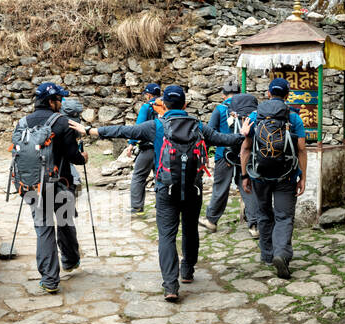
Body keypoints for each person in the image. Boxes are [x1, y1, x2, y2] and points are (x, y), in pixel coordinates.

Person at [89, 84, 244, 302]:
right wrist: (243, 134)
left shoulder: (156, 126)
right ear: (185, 104)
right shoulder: (198, 126)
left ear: (164, 104)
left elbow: (124, 131)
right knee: (190, 229)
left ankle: (171, 286)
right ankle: (187, 271)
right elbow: (225, 139)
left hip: (166, 188)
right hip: (193, 188)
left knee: (167, 236)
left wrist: (91, 131)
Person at [13, 82, 86, 295]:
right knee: (64, 220)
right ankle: (70, 260)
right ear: (51, 101)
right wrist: (84, 157)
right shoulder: (62, 122)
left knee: (43, 227)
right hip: (60, 181)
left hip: (31, 184)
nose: (61, 103)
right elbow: (74, 157)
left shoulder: (22, 122)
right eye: (60, 99)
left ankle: (49, 280)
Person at [240, 77, 309, 280]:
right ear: (287, 96)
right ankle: (281, 253)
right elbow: (302, 149)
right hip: (286, 176)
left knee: (263, 214)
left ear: (268, 93)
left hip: (259, 175)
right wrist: (302, 176)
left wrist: (245, 175)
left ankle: (268, 255)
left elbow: (245, 148)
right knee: (284, 217)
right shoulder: (293, 117)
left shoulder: (255, 115)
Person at [201, 82, 258, 233]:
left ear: (223, 95)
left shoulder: (220, 109)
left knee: (220, 187)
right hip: (245, 155)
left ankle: (211, 220)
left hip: (224, 155)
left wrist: (205, 153)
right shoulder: (248, 110)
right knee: (247, 188)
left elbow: (210, 133)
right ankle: (254, 226)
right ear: (240, 93)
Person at [128, 83, 164, 217]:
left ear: (148, 95)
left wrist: (131, 143)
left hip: (147, 148)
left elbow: (138, 127)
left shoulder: (146, 107)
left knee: (139, 176)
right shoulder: (165, 106)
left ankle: (137, 208)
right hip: (162, 148)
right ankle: (161, 205)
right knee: (160, 176)